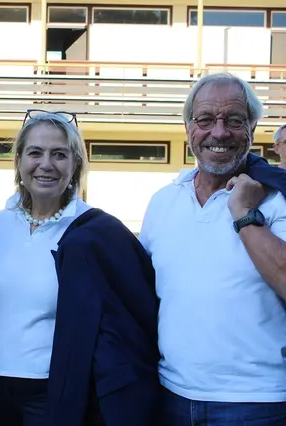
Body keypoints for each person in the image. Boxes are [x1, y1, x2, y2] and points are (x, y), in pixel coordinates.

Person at [0, 109, 161, 426]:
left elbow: (132, 314)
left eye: (59, 154)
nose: (46, 164)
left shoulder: (95, 232)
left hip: (55, 392)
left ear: (75, 166)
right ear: (19, 161)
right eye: (35, 153)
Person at [139, 72, 286, 425]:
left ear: (252, 127)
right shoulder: (163, 201)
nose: (219, 133)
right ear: (188, 127)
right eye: (205, 119)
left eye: (234, 120)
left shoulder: (276, 199)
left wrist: (245, 214)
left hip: (257, 403)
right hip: (171, 394)